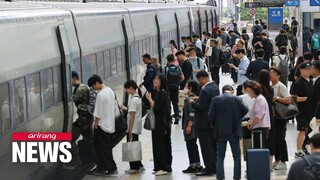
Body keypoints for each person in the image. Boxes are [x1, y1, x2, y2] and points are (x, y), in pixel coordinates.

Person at [208, 85, 248, 180]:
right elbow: (245, 109)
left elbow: (210, 115)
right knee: (236, 156)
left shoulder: (215, 99)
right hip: (234, 130)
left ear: (222, 91)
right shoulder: (237, 99)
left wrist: (215, 124)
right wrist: (238, 118)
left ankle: (220, 177)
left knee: (220, 156)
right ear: (231, 90)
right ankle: (237, 177)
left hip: (220, 131)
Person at [190, 71, 220, 176]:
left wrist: (193, 103)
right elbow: (209, 102)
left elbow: (201, 107)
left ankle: (208, 169)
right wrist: (199, 99)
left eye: (199, 80)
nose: (199, 83)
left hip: (203, 122)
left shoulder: (205, 90)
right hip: (212, 122)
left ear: (202, 78)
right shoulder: (215, 87)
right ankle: (215, 167)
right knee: (213, 146)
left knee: (205, 147)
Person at [88, 74, 117, 176]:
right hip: (110, 124)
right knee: (107, 148)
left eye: (93, 86)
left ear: (96, 83)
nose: (93, 89)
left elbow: (98, 113)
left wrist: (96, 124)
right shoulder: (110, 91)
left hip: (102, 126)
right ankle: (108, 167)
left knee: (101, 149)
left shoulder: (101, 95)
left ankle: (107, 169)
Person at [145, 74, 170, 176]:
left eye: (157, 80)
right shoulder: (159, 93)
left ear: (162, 82)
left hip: (160, 122)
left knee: (158, 145)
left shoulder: (163, 93)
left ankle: (162, 167)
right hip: (158, 122)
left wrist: (149, 99)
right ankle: (158, 167)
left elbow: (158, 108)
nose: (155, 81)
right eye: (154, 79)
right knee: (156, 145)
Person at [71, 71, 96, 166]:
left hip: (84, 119)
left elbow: (71, 99)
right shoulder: (83, 87)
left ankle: (76, 159)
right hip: (88, 118)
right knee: (90, 140)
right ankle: (97, 160)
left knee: (69, 137)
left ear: (74, 78)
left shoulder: (80, 89)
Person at [270, 67, 291, 170]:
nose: (271, 75)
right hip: (273, 115)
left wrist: (277, 98)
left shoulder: (281, 86)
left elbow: (288, 100)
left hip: (280, 116)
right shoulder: (270, 86)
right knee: (274, 138)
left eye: (273, 73)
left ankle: (283, 160)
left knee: (280, 138)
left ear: (278, 75)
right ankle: (277, 159)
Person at [290, 62, 313, 159]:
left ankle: (306, 148)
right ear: (301, 70)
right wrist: (307, 98)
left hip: (311, 111)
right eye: (306, 69)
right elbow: (293, 98)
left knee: (310, 131)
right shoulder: (298, 83)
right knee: (302, 130)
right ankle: (298, 151)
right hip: (301, 111)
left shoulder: (311, 81)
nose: (308, 71)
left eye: (310, 69)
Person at [123, 80, 145, 174]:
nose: (126, 91)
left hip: (132, 128)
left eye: (127, 89)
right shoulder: (138, 98)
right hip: (136, 127)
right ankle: (140, 165)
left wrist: (130, 130)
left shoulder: (133, 100)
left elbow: (131, 115)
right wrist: (125, 109)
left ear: (131, 88)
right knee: (135, 146)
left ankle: (134, 167)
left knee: (131, 147)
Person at [181, 80, 203, 173]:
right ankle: (197, 164)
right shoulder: (192, 97)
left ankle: (193, 166)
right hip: (193, 125)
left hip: (191, 125)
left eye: (186, 86)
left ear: (190, 88)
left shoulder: (190, 98)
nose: (185, 88)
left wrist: (189, 126)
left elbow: (192, 113)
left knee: (191, 145)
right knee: (194, 145)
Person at [245, 81, 271, 149]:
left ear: (254, 90)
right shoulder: (257, 99)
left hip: (260, 127)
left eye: (249, 91)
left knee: (260, 148)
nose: (248, 94)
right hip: (259, 127)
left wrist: (251, 125)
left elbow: (259, 116)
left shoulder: (260, 99)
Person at [258, 70, 275, 170]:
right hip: (270, 116)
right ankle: (270, 165)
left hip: (261, 117)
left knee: (262, 140)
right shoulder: (271, 89)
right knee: (270, 140)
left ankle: (261, 164)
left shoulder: (259, 90)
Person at [164, 54, 185, 124]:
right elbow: (183, 78)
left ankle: (169, 118)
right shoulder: (178, 68)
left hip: (167, 88)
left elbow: (163, 78)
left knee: (168, 103)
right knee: (175, 103)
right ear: (174, 60)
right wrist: (178, 83)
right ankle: (177, 116)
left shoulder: (165, 68)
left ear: (167, 60)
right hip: (175, 88)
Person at [304, 61, 320, 151]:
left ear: (317, 70)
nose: (310, 70)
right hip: (311, 115)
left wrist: (316, 116)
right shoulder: (313, 81)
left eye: (312, 68)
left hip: (315, 116)